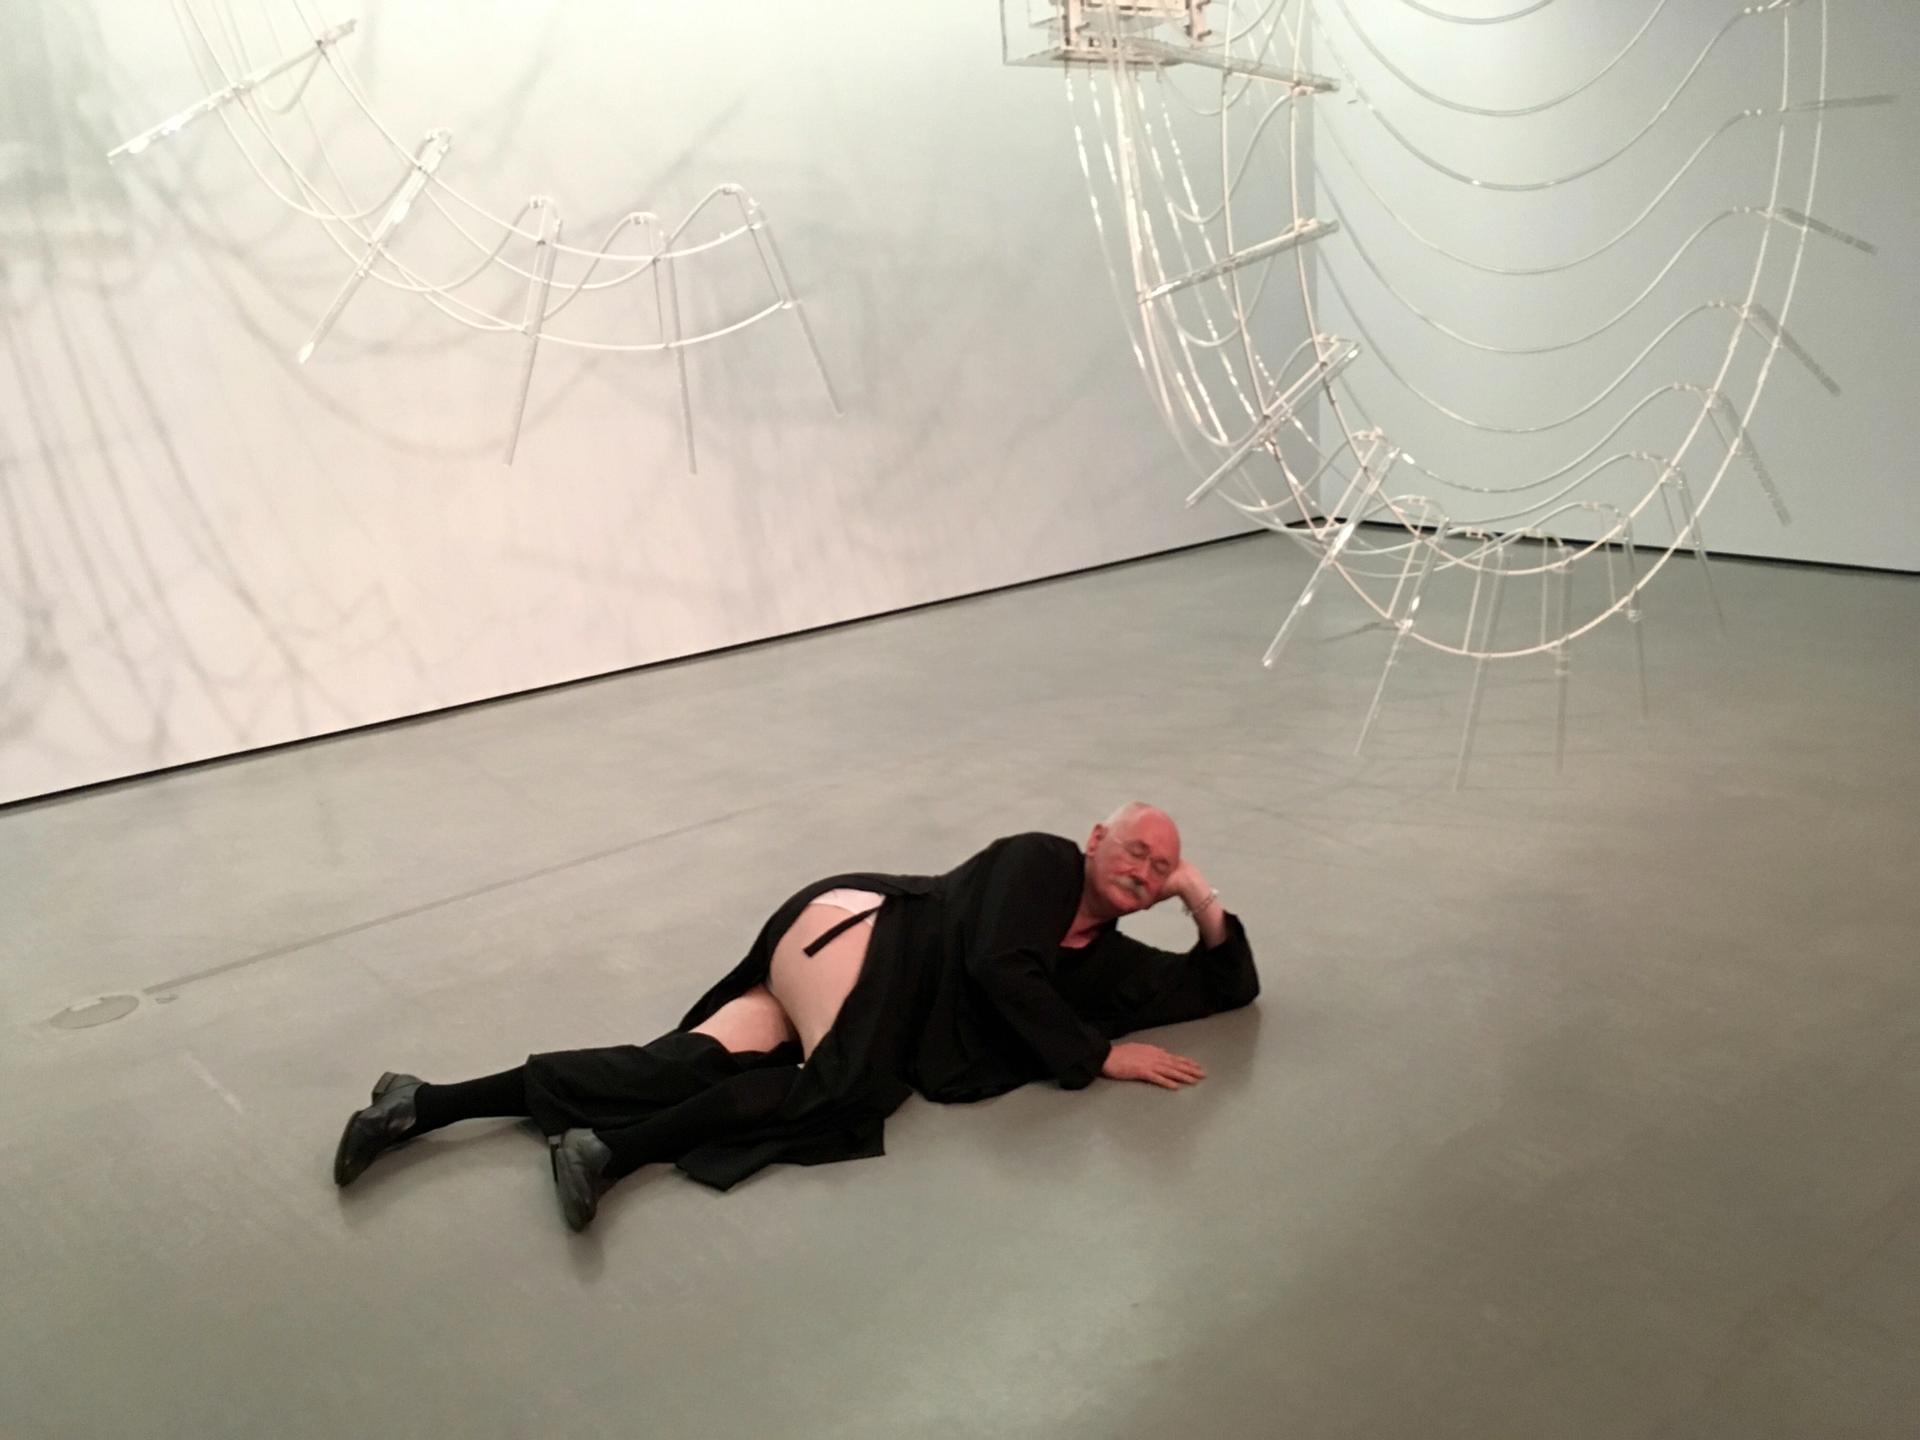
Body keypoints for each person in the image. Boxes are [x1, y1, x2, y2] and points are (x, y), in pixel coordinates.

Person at [332, 803, 1259, 1231]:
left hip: (832, 955)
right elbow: (995, 965)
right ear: (1096, 838)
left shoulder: (1107, 959)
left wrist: (1201, 896)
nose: (1142, 871)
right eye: (1134, 850)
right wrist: (1096, 1056)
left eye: (1158, 871)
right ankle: (609, 1152)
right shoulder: (1039, 860)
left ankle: (422, 1102)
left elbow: (1225, 988)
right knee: (843, 1090)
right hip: (863, 931)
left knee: (679, 1064)